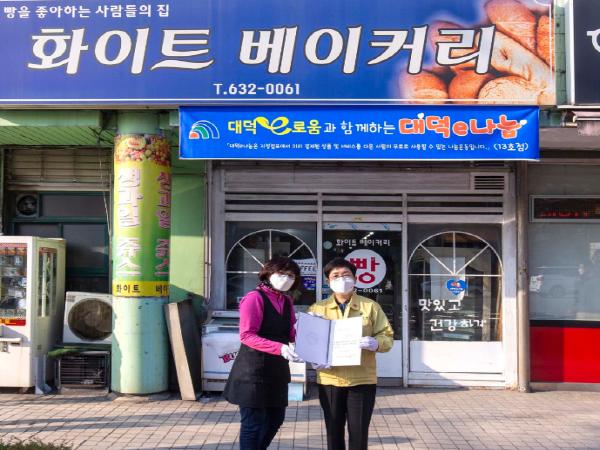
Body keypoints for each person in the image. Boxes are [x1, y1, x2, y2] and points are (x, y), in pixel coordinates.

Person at [308, 257, 394, 450]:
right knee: (333, 432)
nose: (341, 279)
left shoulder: (370, 307)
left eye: (346, 274)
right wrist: (314, 358)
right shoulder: (318, 309)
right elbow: (310, 341)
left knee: (359, 433)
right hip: (330, 379)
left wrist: (376, 343)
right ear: (328, 281)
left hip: (361, 379)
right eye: (335, 276)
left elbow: (387, 337)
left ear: (355, 278)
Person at [223, 256, 304, 450]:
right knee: (253, 424)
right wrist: (279, 348)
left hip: (277, 370)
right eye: (281, 273)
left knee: (275, 419)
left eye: (291, 275)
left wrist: (309, 329)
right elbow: (247, 335)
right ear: (268, 273)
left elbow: (291, 333)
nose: (286, 278)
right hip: (253, 370)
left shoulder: (286, 301)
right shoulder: (254, 298)